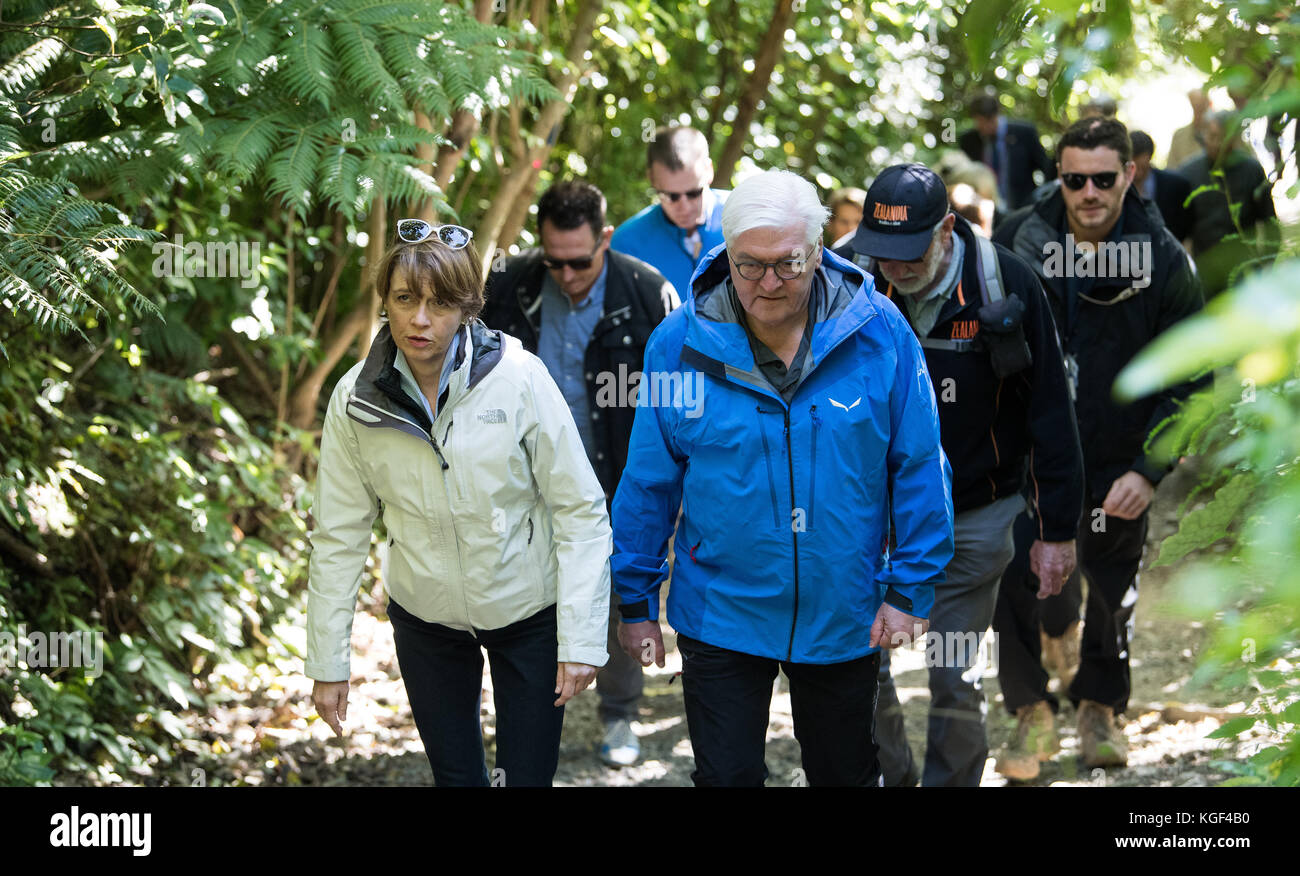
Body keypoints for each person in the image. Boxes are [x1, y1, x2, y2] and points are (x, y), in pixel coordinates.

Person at [611, 169, 955, 787]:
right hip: (721, 609)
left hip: (840, 606)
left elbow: (920, 466)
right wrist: (634, 600)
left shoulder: (881, 333)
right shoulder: (678, 344)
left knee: (844, 774)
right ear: (727, 251)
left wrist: (910, 589)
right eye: (749, 265)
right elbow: (648, 481)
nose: (768, 283)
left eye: (788, 265)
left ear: (820, 252)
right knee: (726, 778)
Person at [306, 220, 612, 786]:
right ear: (386, 303)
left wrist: (583, 637)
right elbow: (338, 535)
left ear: (468, 308)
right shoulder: (355, 399)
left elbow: (580, 509)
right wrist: (328, 663)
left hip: (527, 612)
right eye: (404, 300)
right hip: (425, 618)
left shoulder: (518, 377)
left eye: (440, 304)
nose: (420, 320)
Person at [834, 163, 1083, 787]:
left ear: (947, 228)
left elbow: (1051, 409)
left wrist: (1057, 531)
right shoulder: (844, 283)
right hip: (868, 520)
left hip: (974, 515)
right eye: (882, 253)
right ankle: (890, 778)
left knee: (954, 676)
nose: (895, 268)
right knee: (860, 671)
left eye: (909, 253)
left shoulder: (1007, 286)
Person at [993, 117, 1205, 773]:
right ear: (1059, 176)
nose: (1088, 193)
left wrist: (1149, 470)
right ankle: (1031, 712)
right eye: (1074, 178)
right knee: (1020, 583)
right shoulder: (1018, 242)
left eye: (1103, 179)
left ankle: (1100, 707)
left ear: (1129, 176)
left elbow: (1194, 380)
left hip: (1118, 455)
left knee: (1112, 589)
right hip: (1030, 456)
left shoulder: (1164, 259)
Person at [479, 180, 678, 768]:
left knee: (618, 600)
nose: (566, 275)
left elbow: (677, 404)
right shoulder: (507, 289)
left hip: (618, 482)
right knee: (526, 605)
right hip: (521, 483)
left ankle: (620, 717)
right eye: (554, 261)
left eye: (580, 261)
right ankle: (531, 726)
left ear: (606, 238)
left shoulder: (647, 294)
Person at [610, 126, 728, 302]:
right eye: (671, 196)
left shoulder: (748, 219)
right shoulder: (627, 245)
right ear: (651, 179)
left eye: (694, 193)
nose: (685, 207)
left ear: (709, 170)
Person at [1176, 110, 1279, 299]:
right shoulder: (1187, 174)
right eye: (1213, 136)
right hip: (1204, 272)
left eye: (1224, 137)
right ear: (1203, 135)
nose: (1218, 144)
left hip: (1246, 272)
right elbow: (1176, 231)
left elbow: (1269, 221)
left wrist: (1268, 264)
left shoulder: (1251, 170)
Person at [959, 91, 1057, 211]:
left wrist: (1043, 199)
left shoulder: (1024, 133)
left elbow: (1046, 168)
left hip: (1022, 208)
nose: (981, 127)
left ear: (995, 116)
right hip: (984, 210)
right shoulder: (970, 140)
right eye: (978, 122)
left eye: (984, 121)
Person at [1130, 130, 1192, 243]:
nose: (1137, 172)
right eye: (1133, 165)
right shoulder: (1117, 187)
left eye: (1142, 166)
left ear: (1150, 156)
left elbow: (1186, 223)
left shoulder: (1176, 185)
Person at [1166, 89, 1210, 169]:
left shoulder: (1220, 133)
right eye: (1195, 106)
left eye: (1201, 107)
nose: (1198, 112)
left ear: (1208, 105)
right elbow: (1171, 168)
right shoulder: (1179, 136)